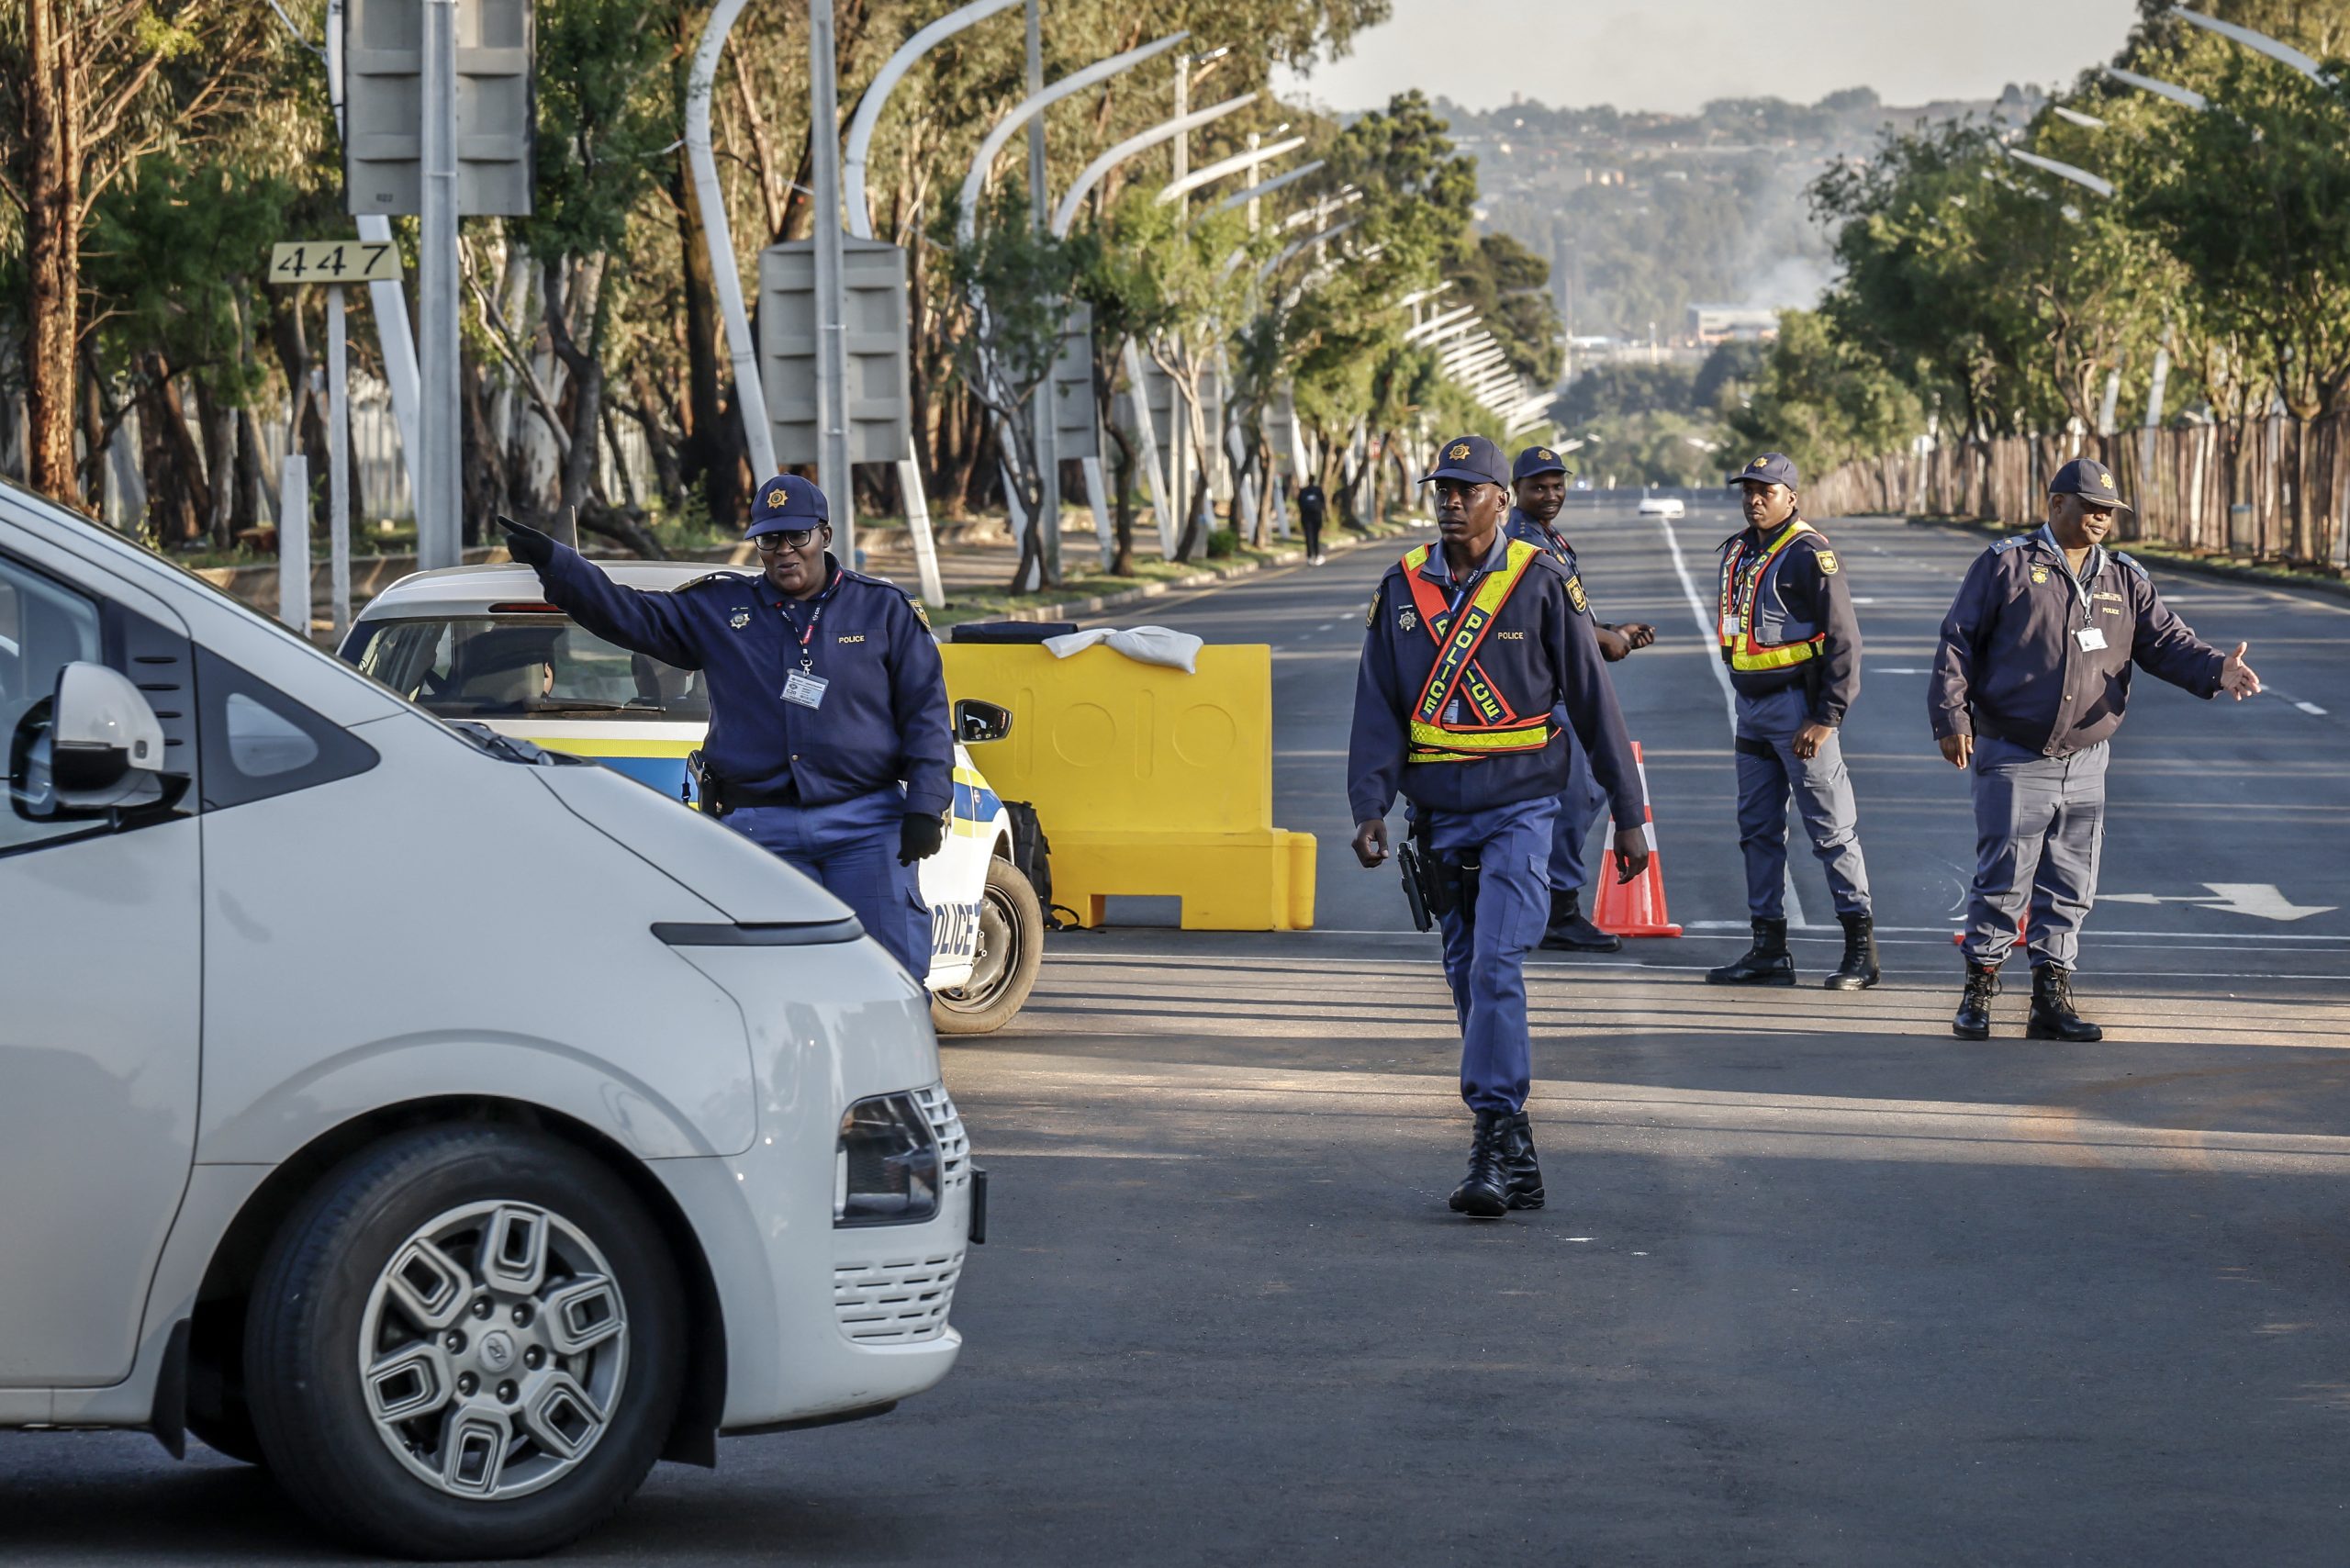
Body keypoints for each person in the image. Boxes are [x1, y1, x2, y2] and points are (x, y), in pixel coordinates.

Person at [1348, 434, 1651, 1220]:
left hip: (1522, 807)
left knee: (1494, 966)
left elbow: (1593, 700)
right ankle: (1516, 1149)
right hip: (1438, 816)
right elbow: (1377, 704)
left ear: (1499, 501)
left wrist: (1628, 815)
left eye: (1467, 490)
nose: (1451, 502)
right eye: (1442, 490)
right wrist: (1369, 806)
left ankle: (1489, 1137)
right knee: (1464, 975)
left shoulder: (1540, 579)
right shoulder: (1402, 587)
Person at [496, 476, 952, 976]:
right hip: (762, 829)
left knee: (889, 973)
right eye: (769, 539)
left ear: (824, 535)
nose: (784, 551)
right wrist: (558, 562)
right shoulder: (720, 608)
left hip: (865, 825)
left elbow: (926, 714)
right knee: (771, 982)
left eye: (797, 536)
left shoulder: (883, 609)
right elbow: (630, 613)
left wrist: (926, 806)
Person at [1930, 457, 2261, 1041]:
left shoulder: (2123, 577)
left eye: (2109, 511)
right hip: (2014, 752)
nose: (2102, 518)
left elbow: (2165, 642)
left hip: (2086, 760)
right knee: (2004, 877)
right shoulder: (2006, 563)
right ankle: (1978, 990)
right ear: (2056, 504)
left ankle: (2050, 1000)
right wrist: (1951, 716)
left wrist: (2218, 669)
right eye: (2091, 507)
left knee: (2071, 883)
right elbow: (1958, 642)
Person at [1705, 452, 1877, 991]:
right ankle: (1769, 950)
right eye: (1748, 490)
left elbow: (1845, 639)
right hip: (1752, 710)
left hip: (1798, 711)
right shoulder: (1739, 550)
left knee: (1831, 831)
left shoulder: (1809, 554)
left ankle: (1861, 951)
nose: (1755, 500)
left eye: (1767, 491)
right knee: (1757, 831)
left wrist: (1827, 717)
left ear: (1791, 497)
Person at [1505, 443, 1657, 953]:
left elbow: (1570, 616)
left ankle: (1548, 904)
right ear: (1515, 491)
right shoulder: (1523, 544)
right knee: (1573, 798)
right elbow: (1548, 622)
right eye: (1538, 487)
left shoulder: (1548, 538)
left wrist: (1611, 630)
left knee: (1583, 793)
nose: (1551, 494)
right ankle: (1558, 911)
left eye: (1557, 485)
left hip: (1563, 686)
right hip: (1547, 694)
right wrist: (1602, 639)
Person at [1294, 478, 1328, 564]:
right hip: (1316, 516)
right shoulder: (1318, 490)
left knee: (1308, 536)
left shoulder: (1303, 491)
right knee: (1315, 536)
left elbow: (1299, 503)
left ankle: (1309, 556)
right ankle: (1317, 554)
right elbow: (1323, 503)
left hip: (1306, 516)